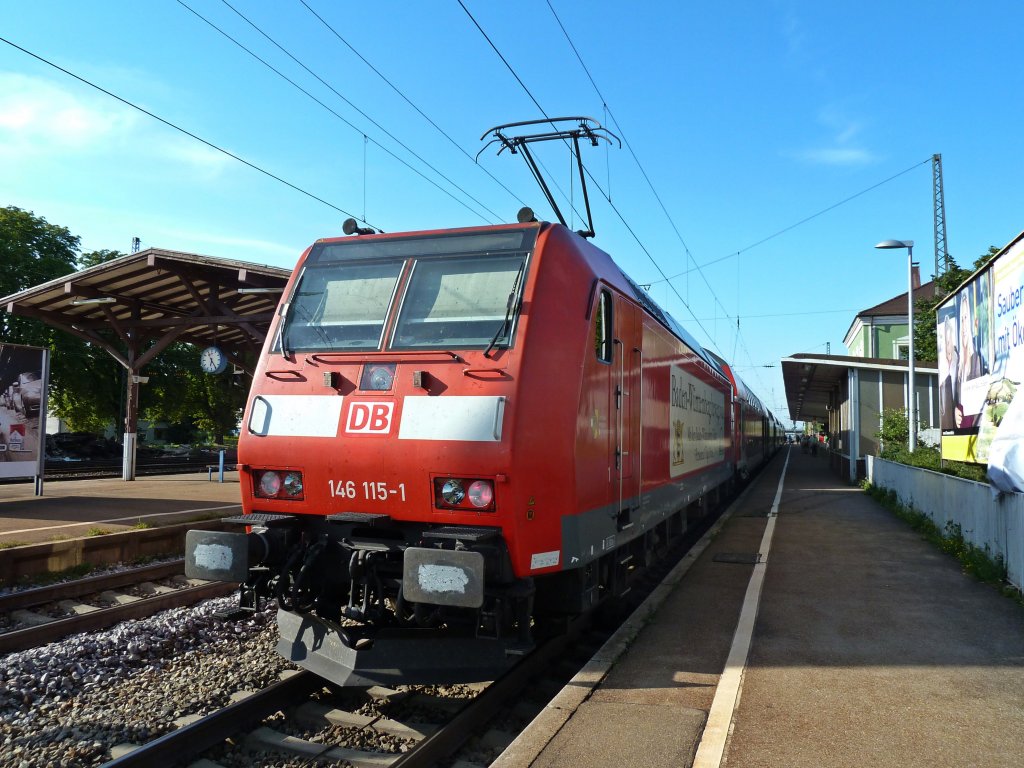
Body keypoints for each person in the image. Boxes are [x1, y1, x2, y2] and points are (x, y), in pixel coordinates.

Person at [939, 316, 959, 430]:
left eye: (950, 340)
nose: (948, 345)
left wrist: (956, 407)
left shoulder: (958, 363)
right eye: (946, 341)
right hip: (948, 427)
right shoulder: (943, 374)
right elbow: (943, 409)